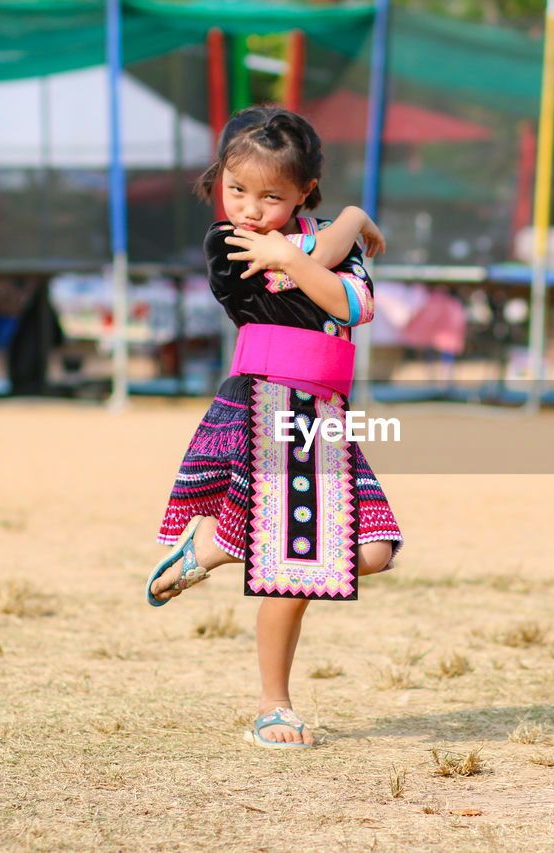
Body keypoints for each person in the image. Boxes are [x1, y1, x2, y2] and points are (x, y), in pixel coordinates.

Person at [144, 106, 402, 748]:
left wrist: (325, 239)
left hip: (325, 416)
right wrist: (351, 221)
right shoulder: (226, 244)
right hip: (267, 406)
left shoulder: (308, 242)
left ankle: (212, 548)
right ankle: (274, 706)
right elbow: (322, 266)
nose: (250, 210)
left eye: (271, 196)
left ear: (304, 191)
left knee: (373, 552)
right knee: (296, 560)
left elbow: (353, 304)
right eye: (236, 191)